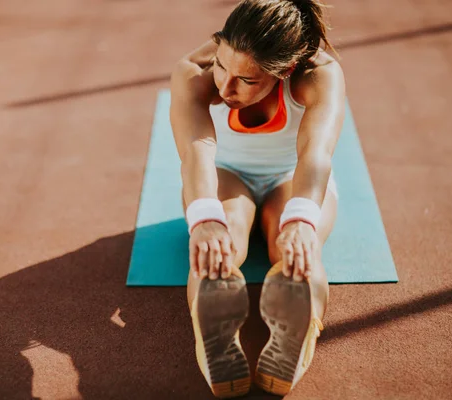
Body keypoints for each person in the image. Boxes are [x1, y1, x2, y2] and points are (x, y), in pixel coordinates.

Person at [170, 0, 345, 397]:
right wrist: (204, 217)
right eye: (222, 66)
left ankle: (299, 332)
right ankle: (209, 329)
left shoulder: (319, 75)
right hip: (225, 175)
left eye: (246, 81)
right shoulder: (193, 74)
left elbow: (316, 153)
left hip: (292, 175)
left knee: (298, 254)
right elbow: (196, 148)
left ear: (283, 71)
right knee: (221, 241)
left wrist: (302, 219)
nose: (225, 87)